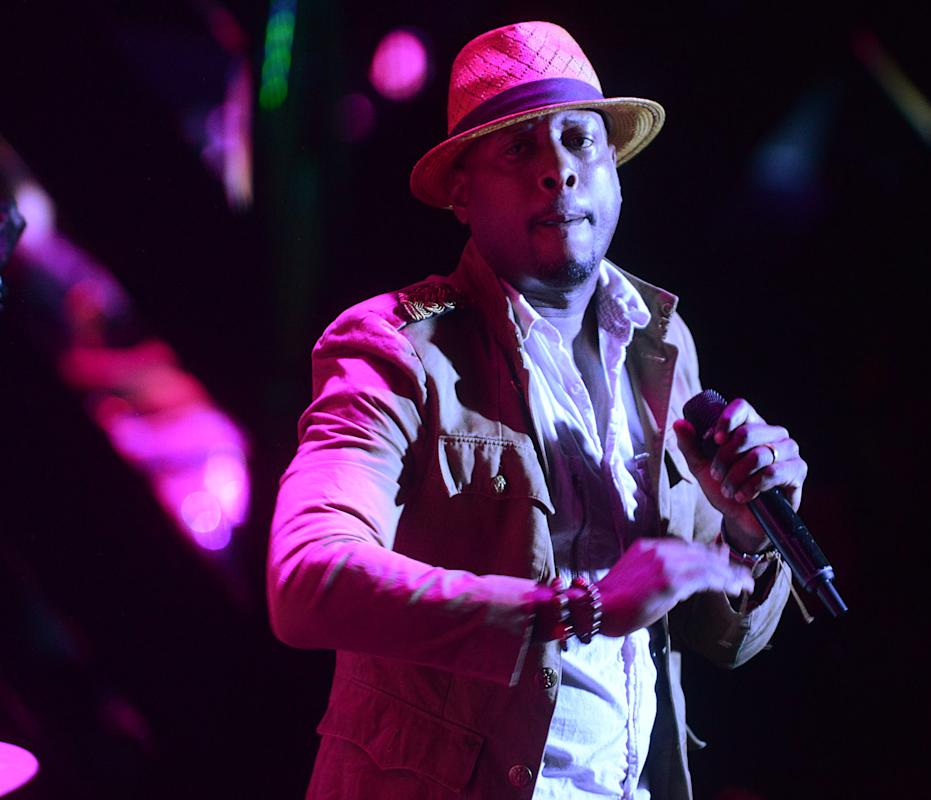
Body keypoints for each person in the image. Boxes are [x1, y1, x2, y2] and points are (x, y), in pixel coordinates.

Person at [268, 21, 807, 800]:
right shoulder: (396, 348)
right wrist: (577, 609)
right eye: (519, 149)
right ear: (461, 192)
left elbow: (713, 639)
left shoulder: (662, 344)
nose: (558, 170)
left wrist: (747, 535)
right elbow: (306, 579)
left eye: (578, 139)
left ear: (613, 167)